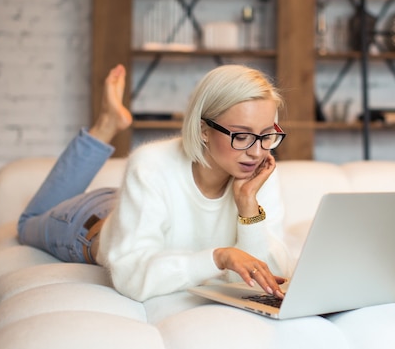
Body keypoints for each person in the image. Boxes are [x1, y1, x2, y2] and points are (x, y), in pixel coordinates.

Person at [17, 64, 291, 302]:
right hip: (90, 224)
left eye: (267, 135)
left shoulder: (258, 174)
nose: (257, 152)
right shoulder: (151, 165)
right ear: (203, 130)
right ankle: (106, 125)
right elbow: (131, 276)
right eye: (242, 136)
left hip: (137, 205)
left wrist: (248, 209)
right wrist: (218, 258)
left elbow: (264, 280)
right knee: (27, 223)